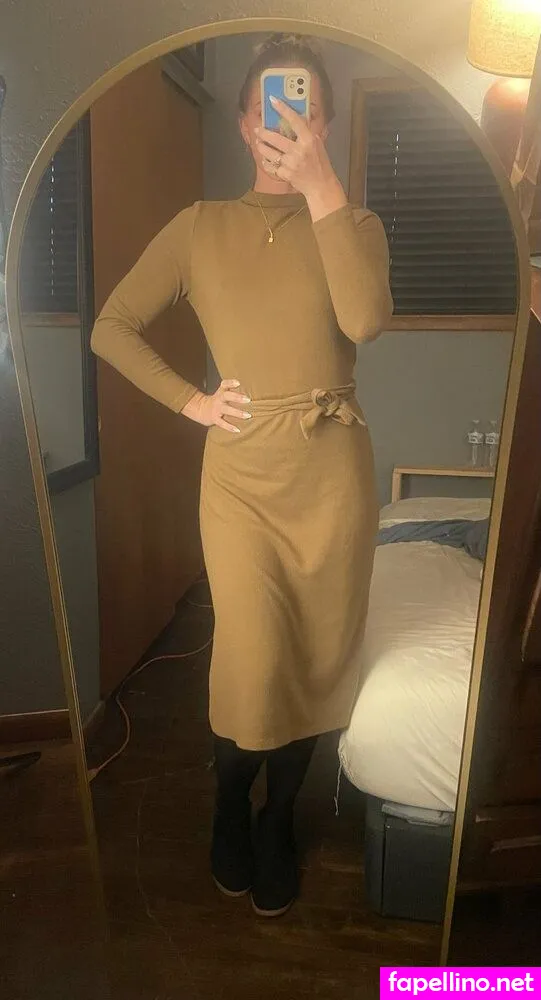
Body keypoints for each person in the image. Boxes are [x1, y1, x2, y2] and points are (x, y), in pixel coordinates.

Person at [90, 33, 393, 918]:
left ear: (323, 123)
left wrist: (322, 189)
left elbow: (364, 321)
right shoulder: (199, 227)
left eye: (302, 108)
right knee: (252, 663)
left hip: (332, 477)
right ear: (240, 121)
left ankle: (277, 819)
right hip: (242, 482)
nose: (284, 122)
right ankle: (229, 802)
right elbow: (112, 326)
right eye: (268, 106)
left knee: (314, 662)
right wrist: (190, 401)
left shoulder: (356, 224)